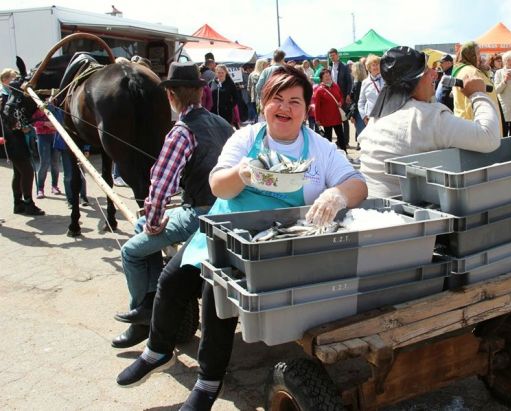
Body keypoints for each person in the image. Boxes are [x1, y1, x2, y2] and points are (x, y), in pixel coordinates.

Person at [115, 66, 368, 411]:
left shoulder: (320, 149)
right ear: (263, 103)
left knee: (217, 293)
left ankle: (208, 382)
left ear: (306, 108)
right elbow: (218, 184)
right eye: (277, 98)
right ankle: (157, 351)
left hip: (273, 242)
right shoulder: (246, 139)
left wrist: (336, 195)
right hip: (224, 229)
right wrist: (242, 173)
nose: (285, 107)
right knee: (173, 279)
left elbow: (358, 184)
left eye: (295, 101)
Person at [111, 62, 234, 349]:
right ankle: (152, 297)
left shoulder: (181, 132)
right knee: (142, 226)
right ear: (200, 94)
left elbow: (161, 184)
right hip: (226, 211)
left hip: (200, 214)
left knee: (131, 251)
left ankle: (145, 318)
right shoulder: (223, 124)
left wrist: (154, 221)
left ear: (171, 97)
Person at [357, 46, 501, 198]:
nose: (434, 73)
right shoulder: (427, 118)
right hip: (409, 214)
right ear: (412, 82)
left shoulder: (376, 119)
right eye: (426, 70)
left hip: (371, 209)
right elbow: (489, 137)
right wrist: (477, 94)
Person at [1, 68, 45, 216]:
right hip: (11, 139)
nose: (17, 81)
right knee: (27, 171)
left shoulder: (12, 95)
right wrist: (22, 127)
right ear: (5, 80)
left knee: (18, 173)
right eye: (13, 78)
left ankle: (18, 204)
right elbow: (7, 120)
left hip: (16, 137)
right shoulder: (4, 97)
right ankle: (28, 203)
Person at [452, 42, 501, 123]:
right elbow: (471, 103)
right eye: (477, 53)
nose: (480, 57)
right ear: (471, 55)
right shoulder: (471, 72)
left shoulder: (466, 69)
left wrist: (484, 70)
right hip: (479, 125)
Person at [312, 69, 347, 152]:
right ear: (321, 79)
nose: (328, 77)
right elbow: (317, 106)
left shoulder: (335, 86)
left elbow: (341, 97)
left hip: (337, 117)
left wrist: (340, 102)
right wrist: (317, 119)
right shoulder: (319, 90)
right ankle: (329, 155)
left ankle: (345, 153)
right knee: (328, 139)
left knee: (341, 136)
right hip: (326, 119)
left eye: (329, 75)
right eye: (325, 76)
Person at [31, 108, 62, 198]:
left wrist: (55, 125)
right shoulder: (36, 109)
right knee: (44, 163)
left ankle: (54, 186)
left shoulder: (55, 108)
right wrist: (45, 124)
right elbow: (32, 122)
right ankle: (40, 188)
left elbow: (60, 119)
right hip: (42, 136)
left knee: (55, 163)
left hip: (55, 136)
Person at [328, 48, 353, 143]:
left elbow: (349, 82)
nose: (332, 57)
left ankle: (346, 140)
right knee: (336, 119)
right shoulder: (330, 68)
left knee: (344, 118)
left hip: (342, 96)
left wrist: (348, 95)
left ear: (337, 55)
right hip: (333, 96)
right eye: (330, 56)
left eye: (333, 55)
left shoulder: (344, 67)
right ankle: (340, 139)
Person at [359, 54, 384, 125]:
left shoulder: (387, 79)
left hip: (386, 116)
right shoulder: (365, 82)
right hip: (372, 118)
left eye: (378, 64)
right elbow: (361, 102)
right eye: (374, 65)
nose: (376, 67)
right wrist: (364, 117)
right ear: (369, 68)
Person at [349, 60, 368, 139]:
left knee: (363, 137)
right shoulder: (366, 81)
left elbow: (356, 101)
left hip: (359, 113)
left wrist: (352, 115)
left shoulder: (357, 84)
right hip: (366, 111)